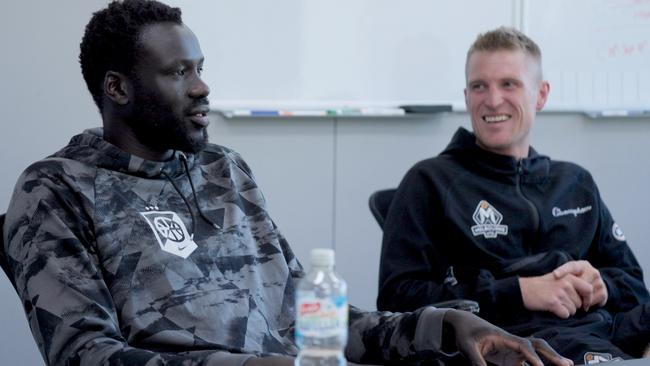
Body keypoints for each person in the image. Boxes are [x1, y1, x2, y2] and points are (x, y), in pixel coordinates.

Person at [1, 2, 573, 366]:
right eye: (179, 72)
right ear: (118, 89)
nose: (202, 87)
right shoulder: (56, 191)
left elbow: (309, 317)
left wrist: (446, 325)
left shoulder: (225, 169)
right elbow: (85, 354)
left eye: (200, 67)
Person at [377, 26, 650, 364]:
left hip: (605, 330)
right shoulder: (430, 181)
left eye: (509, 84)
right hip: (516, 344)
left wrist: (602, 287)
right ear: (466, 97)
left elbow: (635, 287)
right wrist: (521, 291)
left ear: (541, 94)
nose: (492, 100)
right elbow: (395, 301)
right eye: (480, 86)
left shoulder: (575, 181)